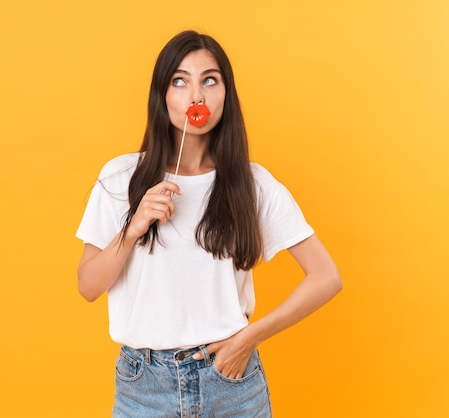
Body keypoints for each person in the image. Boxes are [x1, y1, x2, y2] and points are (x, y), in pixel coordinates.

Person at [76, 30, 342, 417]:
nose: (195, 96)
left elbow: (326, 277)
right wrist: (133, 227)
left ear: (225, 95)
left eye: (210, 80)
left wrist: (248, 339)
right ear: (162, 95)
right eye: (180, 81)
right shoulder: (120, 178)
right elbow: (88, 286)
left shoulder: (252, 185)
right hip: (143, 387)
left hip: (231, 383)